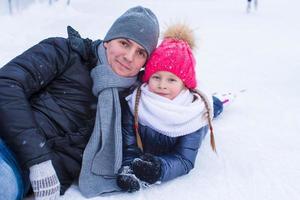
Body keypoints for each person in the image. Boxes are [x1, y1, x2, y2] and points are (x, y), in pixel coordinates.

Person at [0, 6, 159, 200]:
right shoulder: (66, 52)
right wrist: (38, 158)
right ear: (108, 41)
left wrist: (204, 105)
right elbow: (7, 84)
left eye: (140, 52)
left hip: (21, 178)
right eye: (124, 43)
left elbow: (177, 109)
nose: (129, 57)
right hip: (5, 145)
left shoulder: (133, 99)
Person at [116, 23, 225, 192]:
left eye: (172, 80)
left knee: (211, 108)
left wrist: (159, 169)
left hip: (199, 119)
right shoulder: (136, 103)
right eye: (156, 77)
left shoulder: (193, 114)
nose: (162, 85)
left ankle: (216, 103)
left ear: (184, 84)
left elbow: (184, 159)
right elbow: (129, 145)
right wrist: (129, 166)